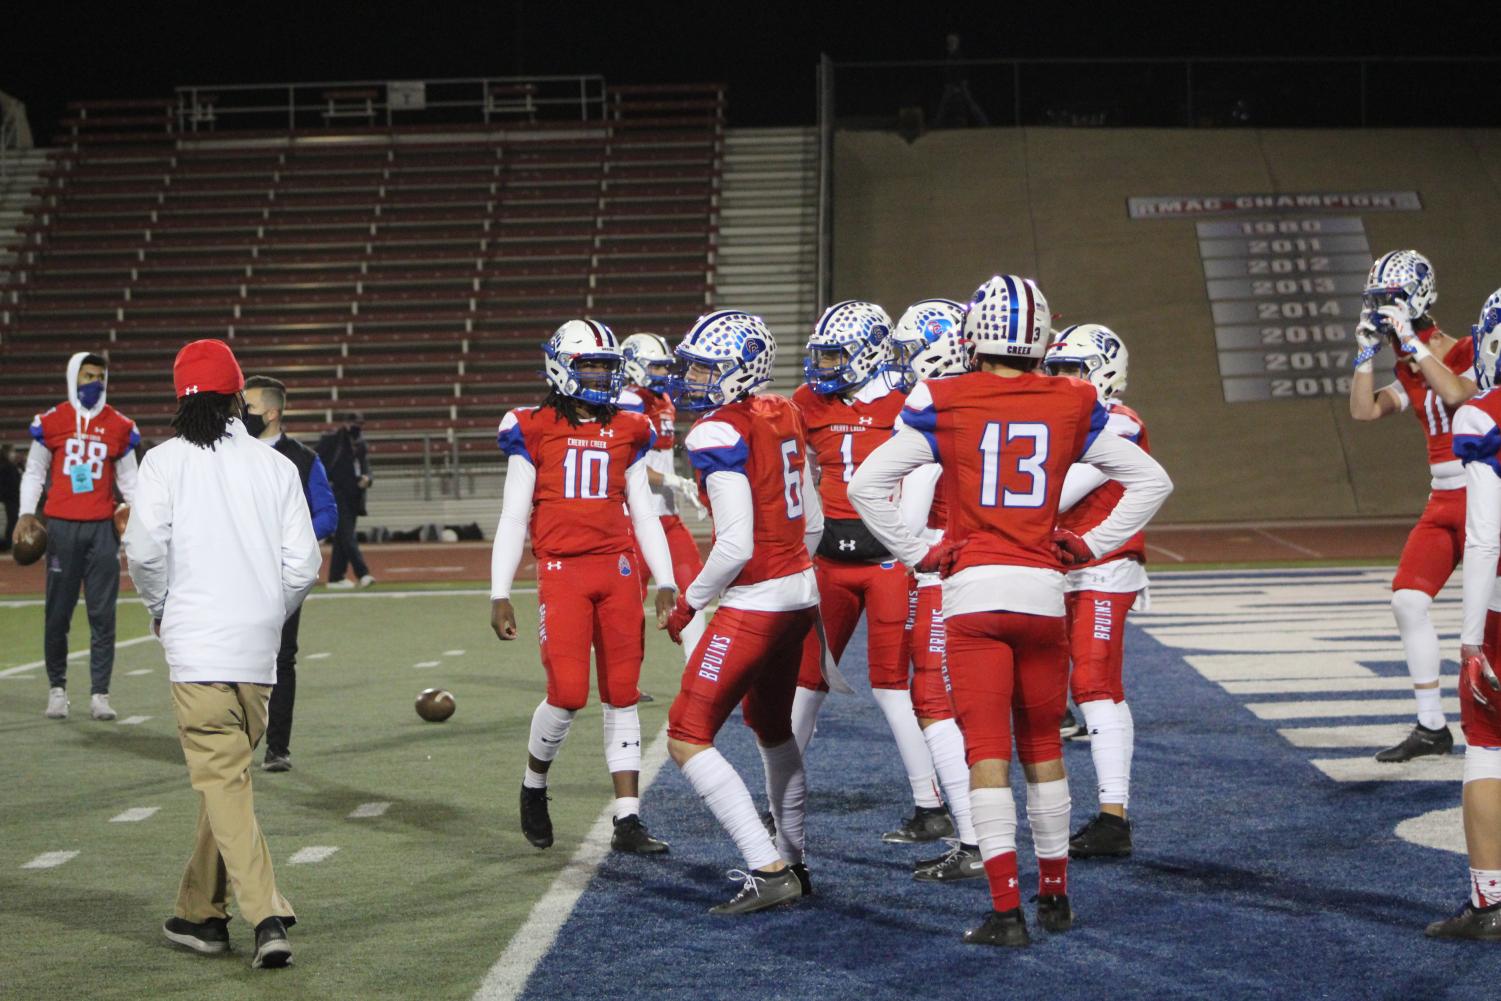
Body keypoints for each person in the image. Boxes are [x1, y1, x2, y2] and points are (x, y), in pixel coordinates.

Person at [849, 274, 1171, 947]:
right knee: (1043, 748)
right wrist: (1087, 543)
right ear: (1041, 338)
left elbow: (866, 483)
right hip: (1043, 594)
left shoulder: (946, 395)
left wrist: (920, 552)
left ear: (975, 335)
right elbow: (1151, 480)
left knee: (986, 753)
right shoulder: (1072, 398)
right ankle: (1054, 895)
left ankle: (1005, 910)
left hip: (971, 596)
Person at [122, 338, 320, 969]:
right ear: (239, 398)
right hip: (258, 654)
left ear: (179, 400)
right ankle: (199, 915)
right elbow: (305, 566)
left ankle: (265, 914)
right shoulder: (275, 466)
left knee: (225, 785)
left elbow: (147, 554)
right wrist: (266, 612)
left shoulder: (163, 462)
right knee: (226, 781)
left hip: (198, 648)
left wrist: (160, 609)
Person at [491, 319, 678, 856]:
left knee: (622, 693)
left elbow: (643, 513)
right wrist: (498, 590)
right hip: (561, 572)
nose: (599, 375)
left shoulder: (629, 426)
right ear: (560, 367)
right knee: (569, 694)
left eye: (604, 365)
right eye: (588, 364)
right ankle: (534, 785)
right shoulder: (530, 426)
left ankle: (628, 818)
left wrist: (664, 579)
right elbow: (511, 516)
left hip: (617, 570)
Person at [660, 308, 824, 914]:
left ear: (739, 370)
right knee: (773, 727)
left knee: (686, 735)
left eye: (707, 368)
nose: (694, 378)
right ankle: (796, 862)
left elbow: (734, 545)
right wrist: (797, 575)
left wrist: (689, 602)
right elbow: (812, 514)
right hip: (800, 595)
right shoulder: (784, 411)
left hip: (759, 599)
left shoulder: (715, 433)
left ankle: (768, 866)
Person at [791, 300, 946, 845]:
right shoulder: (807, 402)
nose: (826, 368)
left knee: (890, 687)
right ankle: (780, 796)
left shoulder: (908, 402)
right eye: (824, 356)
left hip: (887, 562)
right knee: (807, 681)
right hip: (830, 561)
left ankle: (930, 804)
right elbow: (798, 466)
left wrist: (908, 546)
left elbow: (926, 475)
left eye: (837, 356)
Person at [1349, 250, 1477, 762]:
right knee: (1407, 600)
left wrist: (1411, 345)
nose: (1384, 310)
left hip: (1486, 492)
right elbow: (1364, 411)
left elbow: (1459, 394)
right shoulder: (1408, 365)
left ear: (1419, 297)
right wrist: (1363, 357)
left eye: (1392, 299)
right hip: (1443, 496)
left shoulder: (1471, 349)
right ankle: (1431, 725)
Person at [888, 298, 987, 882]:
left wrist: (906, 547)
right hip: (995, 567)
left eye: (909, 349)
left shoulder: (939, 402)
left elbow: (916, 488)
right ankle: (983, 839)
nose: (902, 362)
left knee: (934, 700)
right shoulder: (988, 394)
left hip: (943, 569)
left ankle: (977, 842)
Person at [1043, 324, 1149, 858]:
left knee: (1094, 684)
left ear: (1104, 372)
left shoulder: (1121, 423)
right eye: (1055, 369)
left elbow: (1056, 494)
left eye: (1072, 370)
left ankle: (1114, 819)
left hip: (1104, 566)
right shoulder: (1065, 423)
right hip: (1063, 567)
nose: (1060, 380)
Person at [16, 352, 139, 721]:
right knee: (58, 614)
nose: (94, 383)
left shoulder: (119, 425)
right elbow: (35, 472)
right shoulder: (51, 421)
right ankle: (57, 688)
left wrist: (139, 518)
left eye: (100, 376)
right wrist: (25, 513)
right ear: (73, 376)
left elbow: (131, 482)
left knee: (104, 615)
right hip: (62, 527)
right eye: (87, 375)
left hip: (102, 529)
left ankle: (100, 693)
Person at [1436, 289, 1501, 941]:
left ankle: (1489, 903)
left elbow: (1483, 537)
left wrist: (1468, 637)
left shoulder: (1484, 415)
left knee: (1486, 745)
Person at [243, 375, 339, 772]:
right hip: (237, 568)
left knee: (281, 658)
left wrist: (289, 540)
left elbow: (328, 514)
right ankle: (237, 740)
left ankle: (277, 747)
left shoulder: (302, 458)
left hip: (281, 573)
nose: (239, 414)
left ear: (271, 412)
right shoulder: (229, 454)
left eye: (246, 407)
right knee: (235, 655)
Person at [618, 332, 710, 659]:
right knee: (628, 602)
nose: (662, 373)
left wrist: (679, 484)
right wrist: (674, 480)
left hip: (668, 518)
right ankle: (623, 680)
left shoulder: (664, 401)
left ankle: (696, 670)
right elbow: (628, 465)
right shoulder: (628, 403)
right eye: (655, 367)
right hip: (637, 521)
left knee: (695, 590)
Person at [317, 411, 374, 589]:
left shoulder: (360, 444)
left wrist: (368, 479)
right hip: (337, 494)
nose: (357, 428)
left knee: (343, 536)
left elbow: (366, 467)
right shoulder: (332, 440)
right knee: (347, 535)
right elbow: (316, 460)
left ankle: (336, 577)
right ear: (346, 424)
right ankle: (363, 573)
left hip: (354, 495)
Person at [0, 443, 19, 552]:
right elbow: (10, 484)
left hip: (11, 498)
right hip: (9, 499)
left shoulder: (12, 466)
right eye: (12, 451)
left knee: (12, 521)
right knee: (10, 521)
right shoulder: (6, 466)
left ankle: (8, 544)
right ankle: (7, 544)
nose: (14, 454)